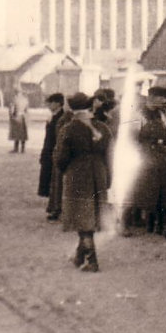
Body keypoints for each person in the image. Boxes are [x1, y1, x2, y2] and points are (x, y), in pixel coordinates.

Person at [55, 92, 112, 273]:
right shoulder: (103, 127)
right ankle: (79, 255)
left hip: (78, 174)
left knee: (82, 217)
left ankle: (91, 260)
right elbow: (109, 155)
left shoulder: (68, 128)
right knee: (90, 214)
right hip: (99, 172)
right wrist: (108, 175)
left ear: (71, 108)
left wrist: (64, 169)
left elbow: (61, 157)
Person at [130, 87, 166, 238]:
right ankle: (151, 223)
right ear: (151, 97)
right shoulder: (138, 115)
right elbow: (133, 138)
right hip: (148, 155)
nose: (164, 101)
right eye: (160, 98)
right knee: (150, 189)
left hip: (165, 153)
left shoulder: (165, 114)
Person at [38, 93, 67, 220]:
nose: (49, 105)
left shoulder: (61, 117)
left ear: (58, 103)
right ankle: (53, 207)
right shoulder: (55, 116)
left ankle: (56, 209)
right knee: (52, 181)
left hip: (54, 151)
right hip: (49, 151)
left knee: (56, 181)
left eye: (51, 103)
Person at [9, 88, 29, 153]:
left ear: (16, 93)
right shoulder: (25, 100)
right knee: (23, 134)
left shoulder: (14, 100)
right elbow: (26, 110)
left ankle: (16, 148)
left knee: (16, 133)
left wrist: (11, 116)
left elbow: (12, 109)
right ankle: (23, 149)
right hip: (23, 117)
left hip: (17, 117)